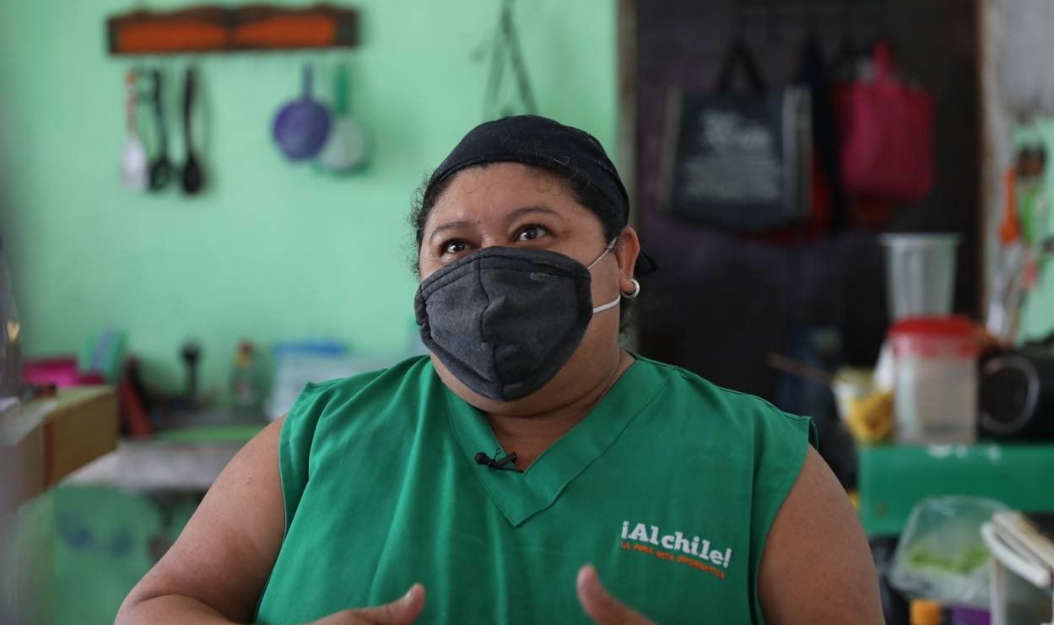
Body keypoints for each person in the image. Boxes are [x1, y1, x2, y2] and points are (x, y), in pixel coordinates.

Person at [116, 115, 882, 625]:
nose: (489, 274)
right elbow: (154, 608)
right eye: (454, 246)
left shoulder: (760, 461)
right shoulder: (321, 435)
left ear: (621, 260)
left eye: (533, 232)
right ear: (421, 279)